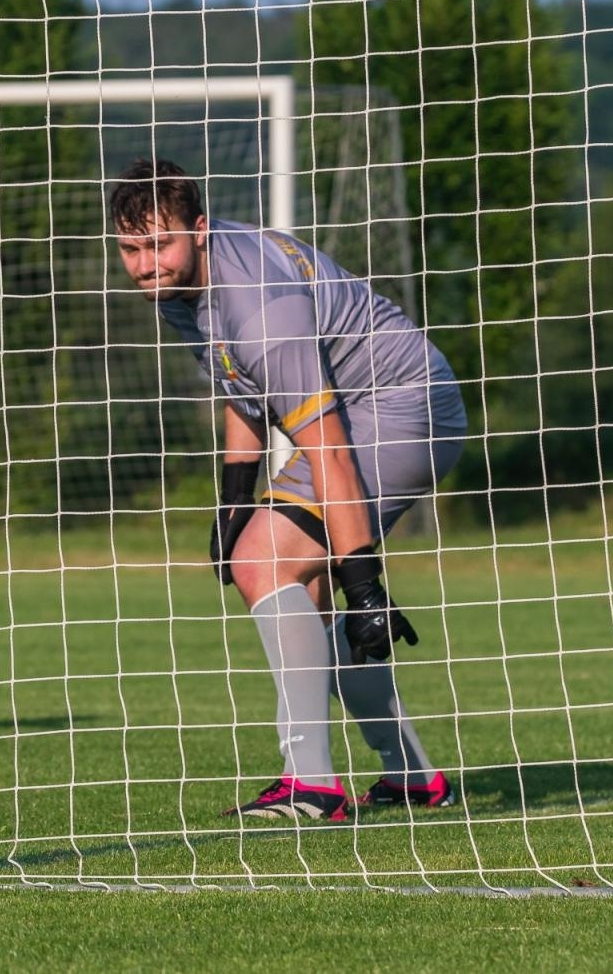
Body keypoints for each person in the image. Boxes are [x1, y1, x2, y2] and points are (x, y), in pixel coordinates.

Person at [109, 158, 468, 821]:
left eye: (158, 244)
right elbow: (243, 387)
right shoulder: (188, 286)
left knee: (263, 561)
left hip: (399, 408)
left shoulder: (258, 305)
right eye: (130, 249)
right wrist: (234, 497)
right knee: (301, 589)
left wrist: (365, 581)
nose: (144, 265)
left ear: (200, 229)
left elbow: (327, 445)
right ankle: (412, 774)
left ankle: (312, 783)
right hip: (379, 407)